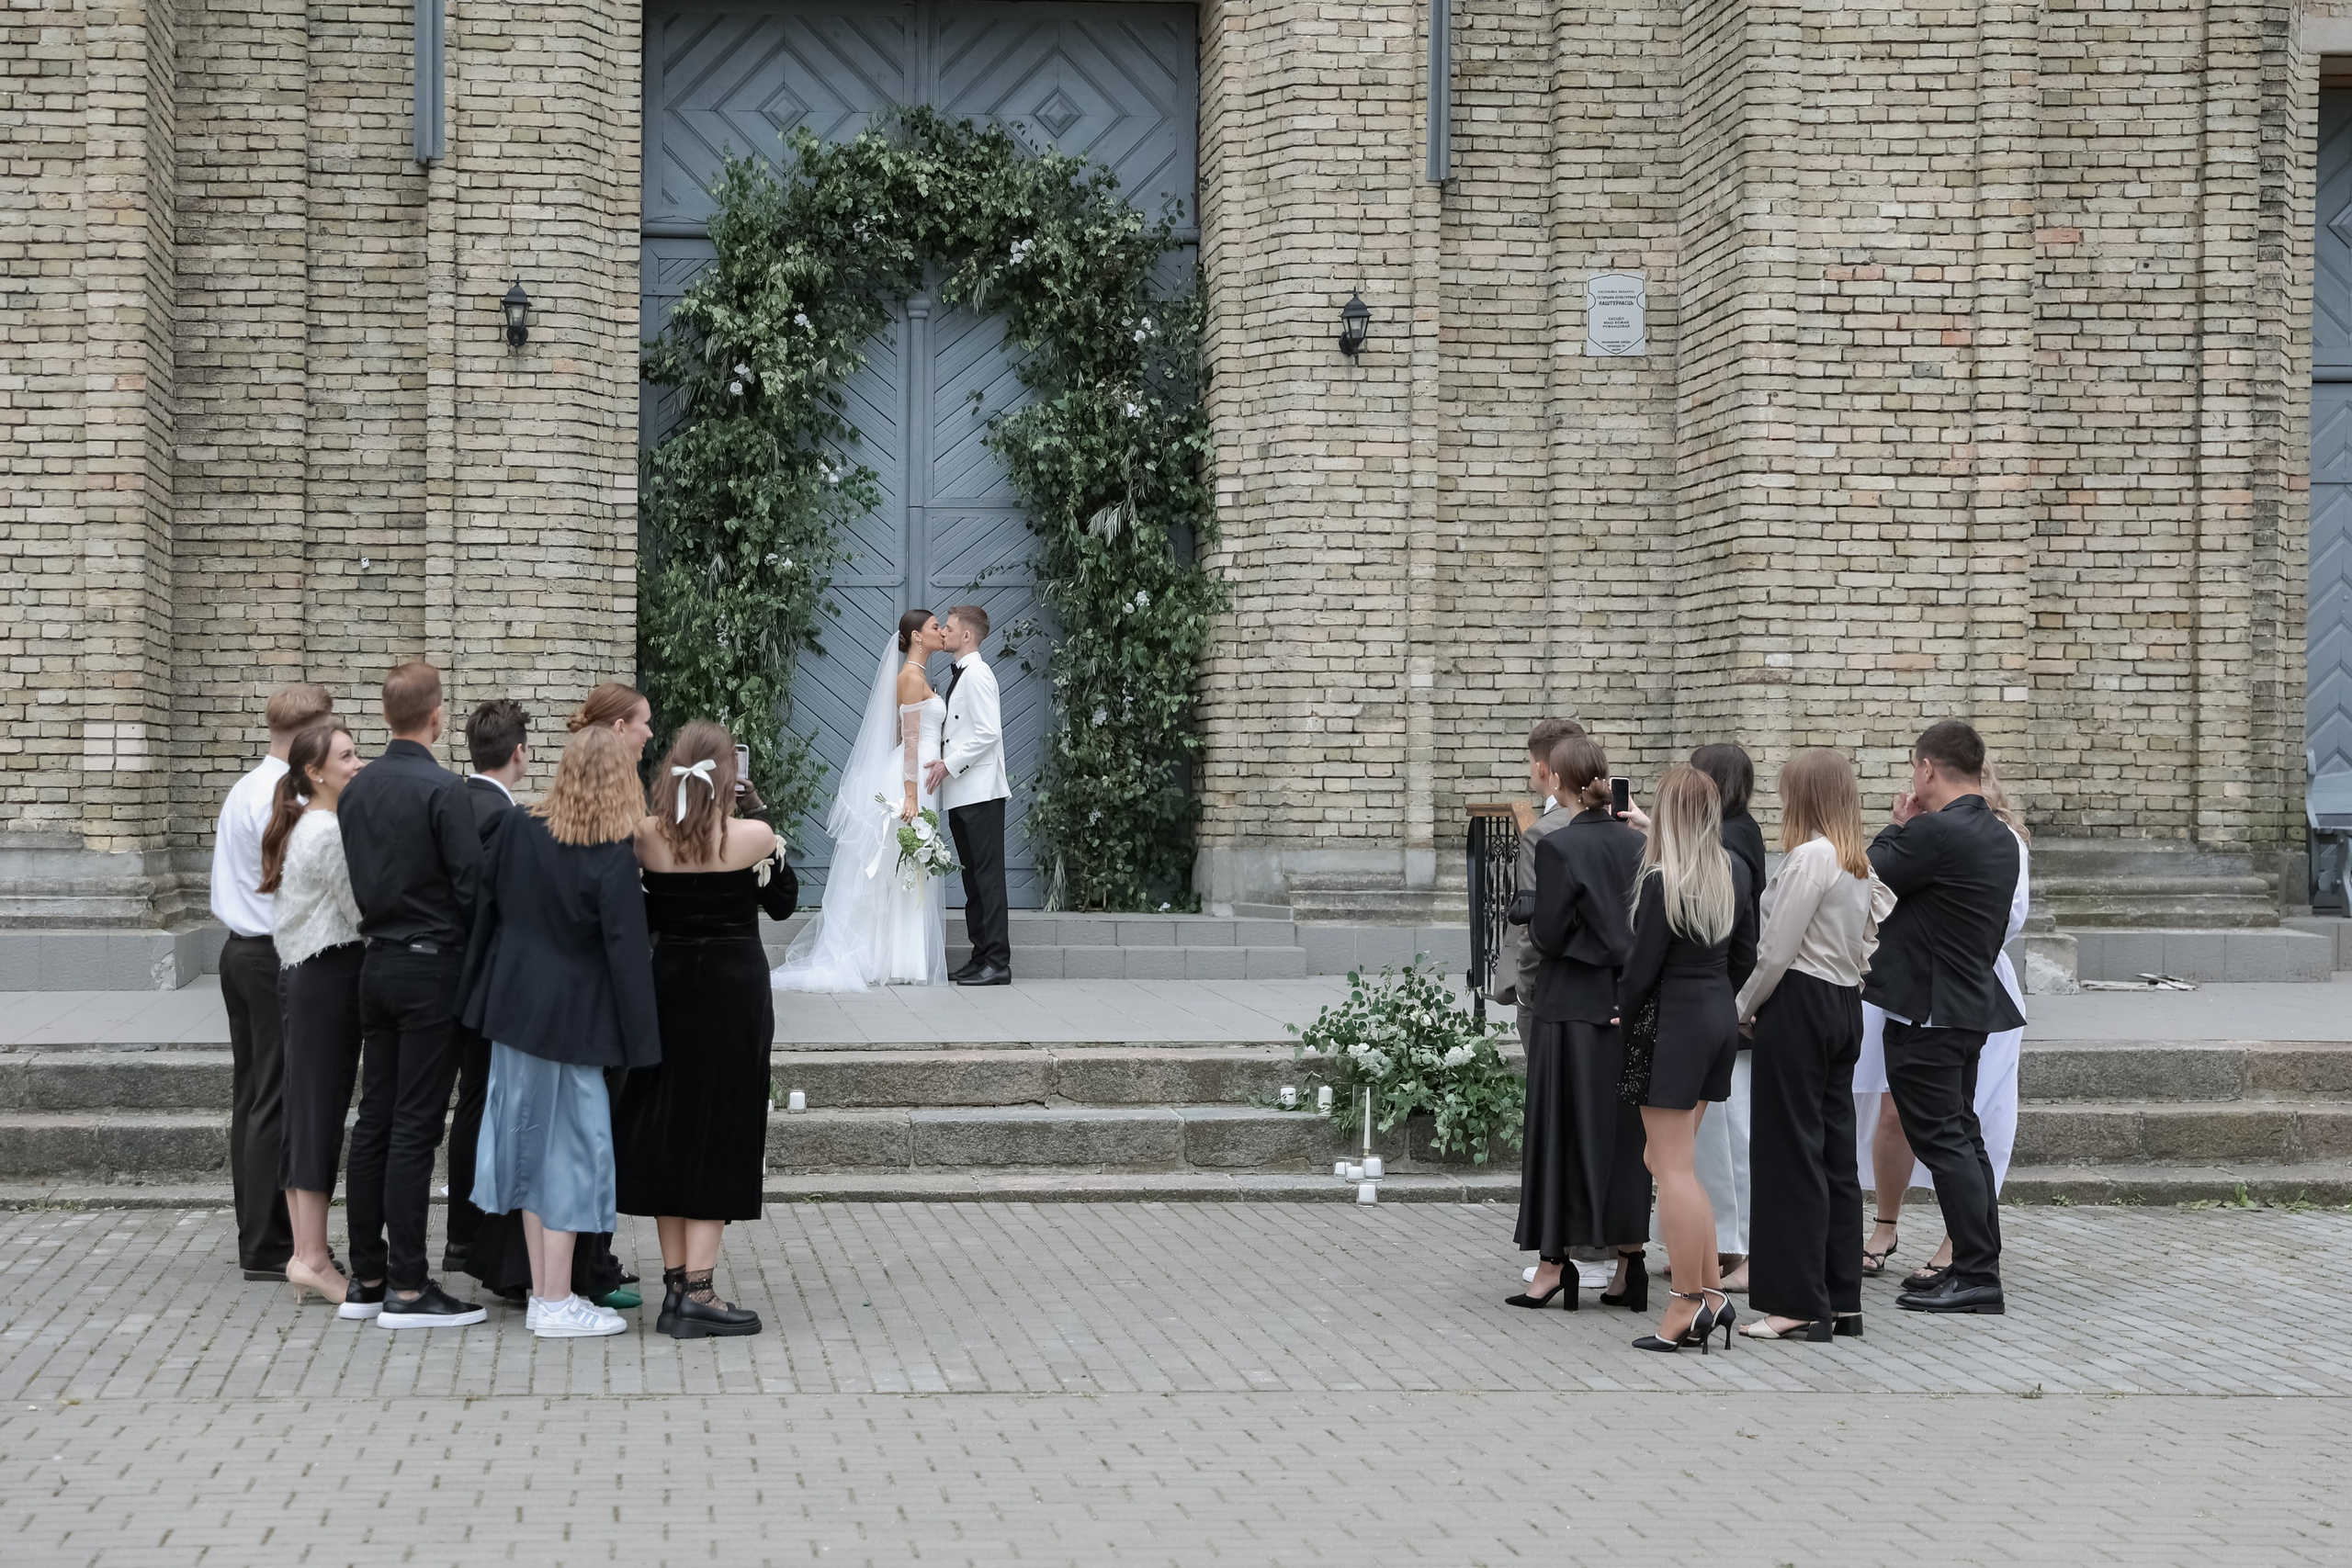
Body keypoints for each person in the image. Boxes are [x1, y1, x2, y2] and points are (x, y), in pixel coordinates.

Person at [461, 725, 661, 1339]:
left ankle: (548, 1293)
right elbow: (627, 955)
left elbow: (486, 912)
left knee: (525, 1150)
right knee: (572, 1156)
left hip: (514, 1013)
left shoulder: (519, 828)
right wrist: (644, 1045)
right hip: (574, 1022)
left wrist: (476, 996)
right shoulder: (611, 852)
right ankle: (552, 1298)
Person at [620, 720, 799, 1338]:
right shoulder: (752, 835)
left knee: (670, 1123)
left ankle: (675, 1287)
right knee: (721, 1125)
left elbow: (640, 915)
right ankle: (700, 1292)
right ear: (728, 776)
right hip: (733, 991)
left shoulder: (646, 837)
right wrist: (759, 808)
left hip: (667, 983)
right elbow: (784, 901)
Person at [334, 660, 487, 1328]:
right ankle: (407, 1285)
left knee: (375, 1118)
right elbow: (471, 888)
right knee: (415, 1127)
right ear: (436, 715)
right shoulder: (444, 789)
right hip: (431, 970)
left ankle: (365, 1275)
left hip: (376, 963)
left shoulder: (356, 790)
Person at [1733, 750, 1894, 1341]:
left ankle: (1796, 1302)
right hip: (1843, 1004)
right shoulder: (1856, 863)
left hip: (1799, 1005)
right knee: (1833, 1155)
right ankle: (1840, 1300)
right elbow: (1871, 934)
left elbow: (1776, 949)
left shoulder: (1809, 858)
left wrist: (1742, 1008)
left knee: (1788, 1156)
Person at [1863, 719, 2023, 1316]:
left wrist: (1897, 825)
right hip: (1968, 1005)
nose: (1912, 780)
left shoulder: (1934, 833)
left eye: (1914, 768)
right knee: (1963, 1136)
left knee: (1945, 1139)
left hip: (1929, 1010)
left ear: (1928, 768)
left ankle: (1977, 1273)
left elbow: (1867, 873)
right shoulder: (2000, 836)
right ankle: (1976, 1261)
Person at [1505, 735, 1646, 1313]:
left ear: (1555, 782)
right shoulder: (1641, 843)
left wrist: (1532, 917)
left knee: (1558, 1133)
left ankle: (1552, 1264)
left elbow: (1550, 935)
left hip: (1569, 1003)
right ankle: (1629, 1264)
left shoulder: (1561, 847)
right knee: (1624, 1135)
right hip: (1624, 1000)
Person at [1620, 763, 1756, 1353]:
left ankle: (1684, 1304)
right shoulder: (1735, 871)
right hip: (1717, 1015)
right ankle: (1709, 1294)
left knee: (1670, 1167)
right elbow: (1745, 954)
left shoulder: (1660, 880)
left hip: (1673, 1022)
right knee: (1676, 1160)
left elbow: (1640, 971)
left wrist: (1622, 1014)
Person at [209, 682, 333, 1281]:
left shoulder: (243, 787)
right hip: (270, 954)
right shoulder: (280, 796)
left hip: (241, 951)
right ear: (309, 732)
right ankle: (265, 1242)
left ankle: (258, 1229)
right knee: (274, 1097)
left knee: (254, 1095)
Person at [773, 610, 952, 990]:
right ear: (917, 637)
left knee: (907, 868)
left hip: (919, 777)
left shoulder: (919, 677)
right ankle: (888, 958)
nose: (942, 632)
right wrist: (909, 795)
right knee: (900, 867)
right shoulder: (909, 678)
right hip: (911, 779)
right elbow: (911, 741)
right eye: (935, 627)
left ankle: (904, 958)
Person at [259, 719, 365, 1308]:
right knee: (317, 1115)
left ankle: (307, 1254)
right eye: (346, 757)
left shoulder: (315, 823)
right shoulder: (326, 831)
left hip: (311, 977)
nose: (358, 763)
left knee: (309, 1112)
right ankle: (314, 1259)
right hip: (325, 977)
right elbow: (360, 912)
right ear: (315, 772)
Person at [1661, 741, 1761, 1293]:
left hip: (1711, 1010)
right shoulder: (1740, 832)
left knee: (1719, 1143)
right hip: (1724, 1007)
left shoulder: (1729, 846)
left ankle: (1728, 1248)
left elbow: (1740, 938)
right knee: (1711, 1143)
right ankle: (1710, 1246)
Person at [441, 699, 530, 1278]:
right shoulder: (504, 817)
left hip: (443, 975)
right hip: (483, 979)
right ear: (518, 753)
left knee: (468, 1102)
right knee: (478, 1100)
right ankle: (469, 1234)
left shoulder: (451, 800)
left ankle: (461, 1234)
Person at [928, 604, 1012, 986]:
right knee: (973, 882)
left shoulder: (977, 674)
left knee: (987, 879)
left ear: (966, 636)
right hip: (962, 794)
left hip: (979, 792)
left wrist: (949, 764)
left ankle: (997, 963)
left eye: (948, 628)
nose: (942, 633)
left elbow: (988, 732)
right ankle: (981, 958)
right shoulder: (963, 673)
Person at [1492, 717, 1586, 1046]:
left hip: (1551, 991)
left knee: (1547, 1093)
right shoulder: (1624, 825)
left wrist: (1524, 994)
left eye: (1530, 763)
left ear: (1543, 769)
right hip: (1607, 993)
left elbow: (1532, 925)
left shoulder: (1541, 833)